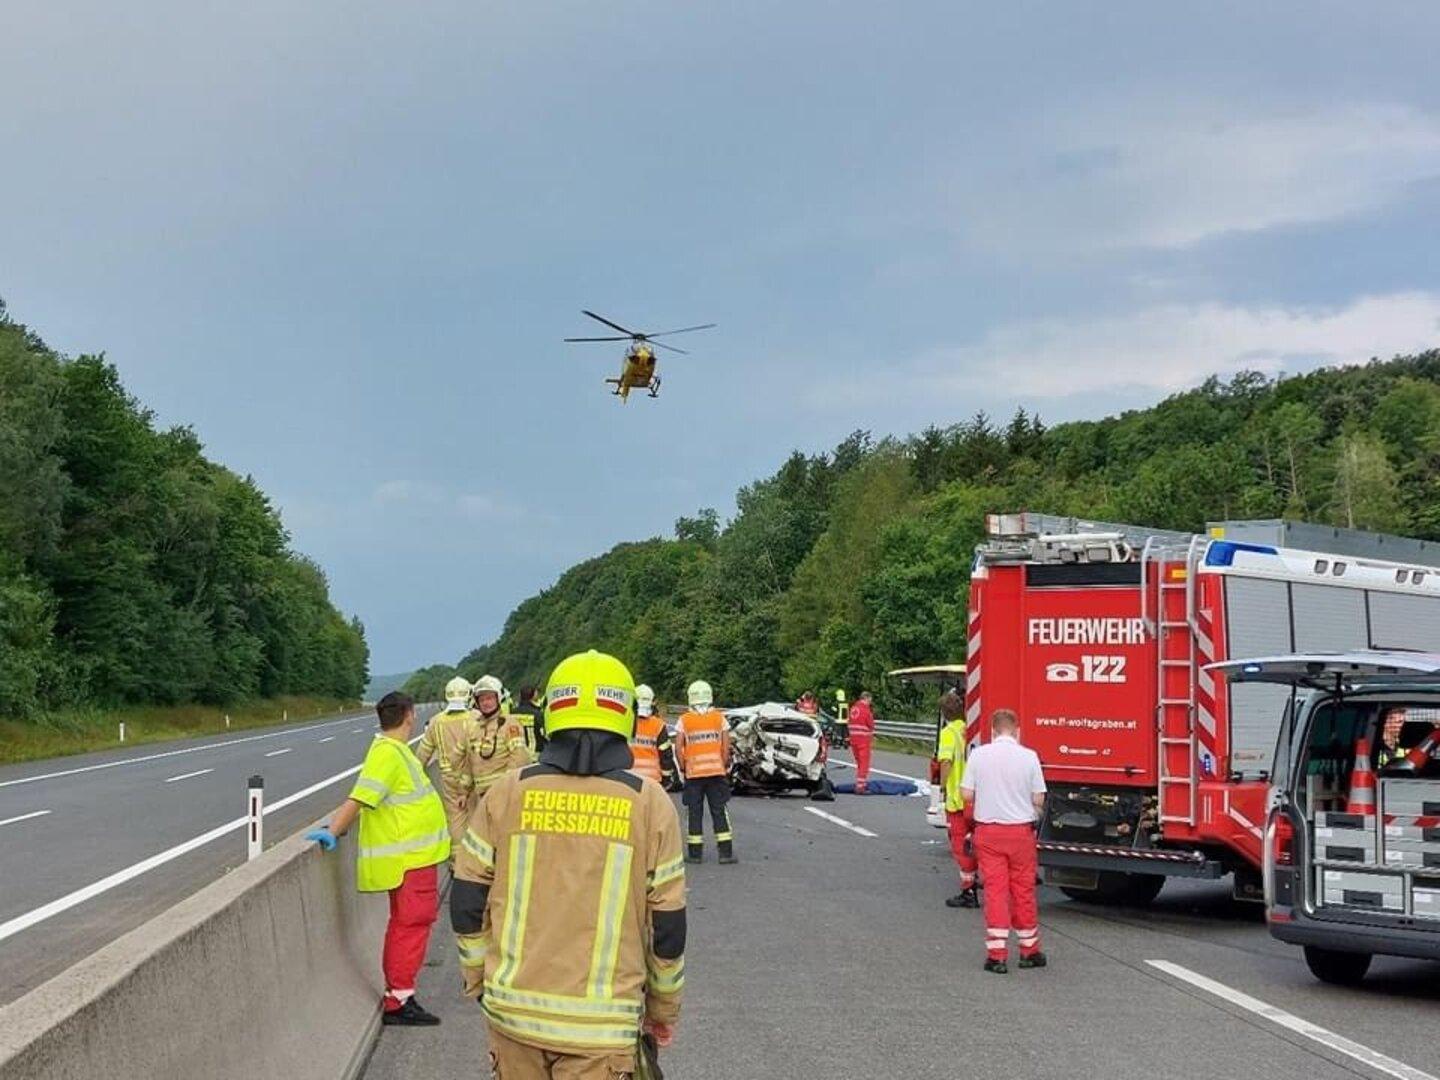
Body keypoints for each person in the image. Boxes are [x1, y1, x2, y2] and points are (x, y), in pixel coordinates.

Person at [451, 650, 686, 1079]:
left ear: (548, 718)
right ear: (627, 720)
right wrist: (663, 1009)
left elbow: (467, 898)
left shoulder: (507, 792)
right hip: (602, 1030)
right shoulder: (649, 804)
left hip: (513, 1014)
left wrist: (477, 978)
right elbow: (668, 927)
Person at [306, 691, 450, 1025]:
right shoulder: (387, 754)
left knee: (409, 925)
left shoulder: (397, 752)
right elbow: (361, 796)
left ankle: (400, 994)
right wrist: (335, 829)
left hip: (413, 859)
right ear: (411, 715)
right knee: (410, 925)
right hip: (408, 861)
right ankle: (399, 1000)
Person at [960, 708, 1047, 974]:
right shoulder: (1029, 757)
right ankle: (1029, 950)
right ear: (1017, 731)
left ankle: (997, 955)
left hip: (989, 832)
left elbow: (966, 794)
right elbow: (1039, 799)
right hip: (1020, 833)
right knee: (1023, 890)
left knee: (996, 891)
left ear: (992, 731)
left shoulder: (979, 755)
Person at [675, 680, 736, 864]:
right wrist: (723, 765)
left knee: (694, 812)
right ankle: (725, 853)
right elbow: (726, 747)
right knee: (719, 811)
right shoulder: (719, 718)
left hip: (693, 775)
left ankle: (695, 854)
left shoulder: (684, 720)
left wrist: (684, 766)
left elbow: (678, 748)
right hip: (716, 774)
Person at [415, 675, 480, 841]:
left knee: (455, 819)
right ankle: (475, 860)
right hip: (474, 776)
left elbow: (422, 755)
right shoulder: (476, 717)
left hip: (449, 777)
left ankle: (456, 861)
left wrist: (413, 778)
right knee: (477, 817)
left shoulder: (436, 722)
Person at [936, 690, 978, 909]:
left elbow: (946, 762)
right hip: (975, 797)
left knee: (960, 845)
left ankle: (968, 890)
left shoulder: (948, 732)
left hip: (957, 798)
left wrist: (941, 787)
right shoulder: (969, 730)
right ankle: (977, 880)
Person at [469, 674, 531, 800]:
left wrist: (504, 787)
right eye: (481, 700)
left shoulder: (510, 724)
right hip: (482, 797)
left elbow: (519, 758)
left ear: (498, 698)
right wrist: (464, 792)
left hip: (504, 794)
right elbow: (470, 762)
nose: (485, 703)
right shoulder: (475, 728)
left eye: (489, 698)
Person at [631, 684, 678, 789]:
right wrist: (667, 779)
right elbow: (666, 754)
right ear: (652, 702)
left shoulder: (625, 722)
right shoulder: (658, 725)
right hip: (652, 780)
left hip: (628, 777)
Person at [848, 691, 875, 794]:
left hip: (853, 739)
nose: (870, 702)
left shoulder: (853, 708)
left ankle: (860, 783)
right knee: (864, 764)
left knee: (859, 763)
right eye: (869, 700)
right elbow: (871, 724)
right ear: (866, 698)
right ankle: (860, 786)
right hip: (863, 740)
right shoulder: (865, 710)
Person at [511, 684, 546, 754]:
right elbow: (543, 734)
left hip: (517, 753)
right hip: (534, 753)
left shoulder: (512, 713)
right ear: (533, 695)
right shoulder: (537, 714)